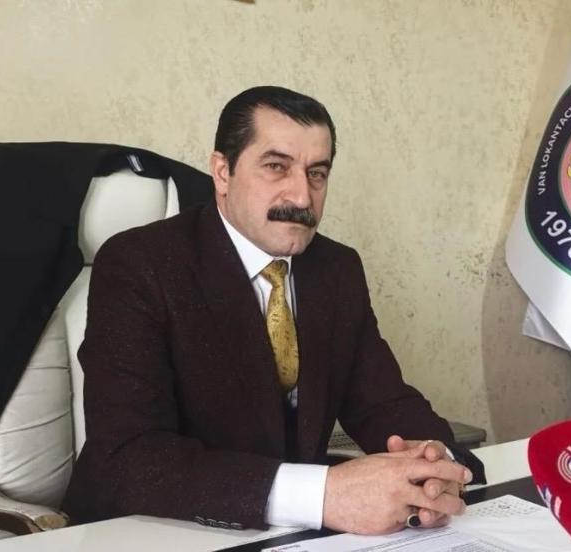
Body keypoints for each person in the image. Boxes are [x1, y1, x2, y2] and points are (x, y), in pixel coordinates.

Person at [61, 85, 485, 535]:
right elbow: (129, 456)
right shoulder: (139, 264)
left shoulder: (336, 268)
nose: (302, 197)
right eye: (276, 167)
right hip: (149, 530)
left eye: (317, 173)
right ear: (222, 172)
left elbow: (382, 401)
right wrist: (324, 495)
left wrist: (438, 466)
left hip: (287, 534)